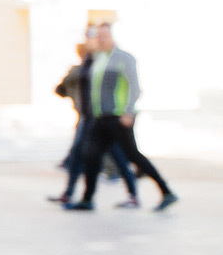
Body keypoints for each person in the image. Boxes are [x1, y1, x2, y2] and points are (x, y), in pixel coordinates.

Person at [69, 23, 180, 212]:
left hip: (118, 117)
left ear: (113, 36)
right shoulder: (98, 58)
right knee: (91, 155)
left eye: (105, 36)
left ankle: (167, 192)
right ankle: (87, 199)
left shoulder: (123, 58)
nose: (101, 39)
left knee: (133, 155)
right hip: (100, 117)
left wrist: (128, 111)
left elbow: (135, 87)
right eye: (99, 36)